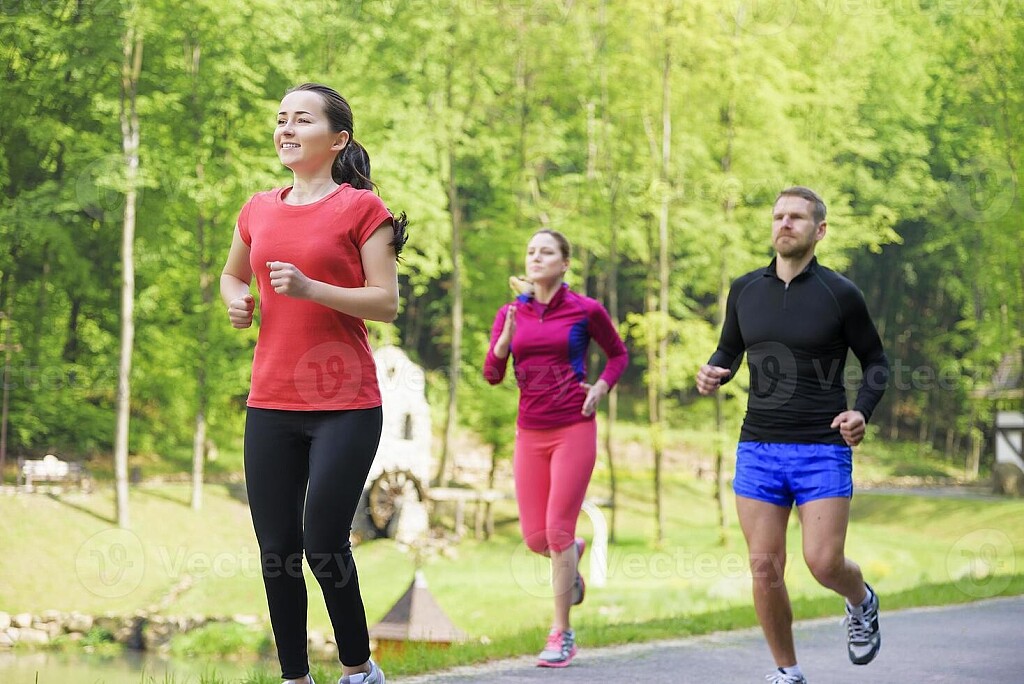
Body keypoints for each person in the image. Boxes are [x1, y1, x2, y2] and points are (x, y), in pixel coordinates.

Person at [221, 82, 408, 684]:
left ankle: (358, 670)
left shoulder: (362, 210)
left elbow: (385, 302)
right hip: (270, 402)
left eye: (303, 119)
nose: (287, 129)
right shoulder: (257, 208)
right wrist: (237, 300)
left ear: (337, 139)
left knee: (324, 539)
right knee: (277, 550)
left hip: (345, 404)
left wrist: (310, 289)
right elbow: (231, 276)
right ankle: (294, 678)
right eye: (282, 119)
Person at [696, 187, 889, 684]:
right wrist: (713, 371)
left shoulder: (840, 293)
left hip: (822, 447)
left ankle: (861, 599)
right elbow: (729, 350)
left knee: (823, 563)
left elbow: (876, 362)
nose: (785, 224)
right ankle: (788, 670)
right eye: (778, 216)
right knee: (764, 567)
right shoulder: (745, 290)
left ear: (819, 230)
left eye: (797, 217)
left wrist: (861, 412)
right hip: (758, 446)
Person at [483, 230, 628, 668]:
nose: (536, 257)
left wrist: (601, 387)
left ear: (565, 263)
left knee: (558, 532)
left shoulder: (585, 309)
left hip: (574, 428)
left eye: (546, 252)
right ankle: (572, 554)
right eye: (531, 251)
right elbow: (492, 374)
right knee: (536, 539)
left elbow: (618, 355)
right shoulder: (511, 312)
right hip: (530, 432)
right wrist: (503, 342)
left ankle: (561, 632)